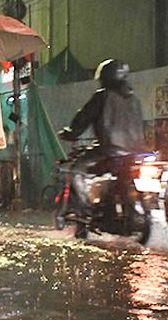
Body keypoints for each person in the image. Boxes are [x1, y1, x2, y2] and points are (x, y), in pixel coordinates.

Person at [58, 58, 150, 220]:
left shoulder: (102, 96)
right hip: (137, 153)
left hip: (109, 150)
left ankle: (86, 210)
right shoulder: (134, 99)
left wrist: (70, 133)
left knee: (75, 170)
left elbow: (83, 119)